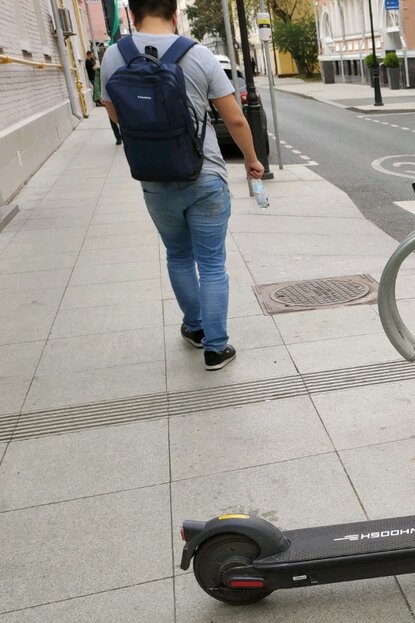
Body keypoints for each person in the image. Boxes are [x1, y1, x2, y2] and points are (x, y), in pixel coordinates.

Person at [100, 0, 264, 371]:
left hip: (154, 177)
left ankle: (195, 328)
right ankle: (216, 348)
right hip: (204, 174)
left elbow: (115, 113)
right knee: (211, 263)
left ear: (132, 15)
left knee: (177, 255)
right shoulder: (199, 55)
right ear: (175, 14)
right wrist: (251, 159)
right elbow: (235, 120)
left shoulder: (114, 56)